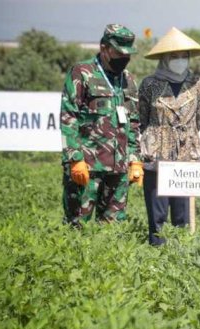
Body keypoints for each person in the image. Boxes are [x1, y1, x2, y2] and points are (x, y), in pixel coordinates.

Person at [60, 24, 142, 227]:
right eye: (118, 52)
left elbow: (132, 123)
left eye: (128, 54)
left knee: (113, 230)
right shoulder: (82, 73)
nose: (124, 58)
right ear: (104, 47)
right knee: (78, 226)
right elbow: (69, 118)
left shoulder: (128, 79)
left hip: (119, 170)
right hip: (87, 167)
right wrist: (74, 159)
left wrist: (134, 160)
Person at [139, 27, 200, 245]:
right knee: (157, 217)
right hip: (156, 157)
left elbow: (199, 119)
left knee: (183, 216)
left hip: (187, 157)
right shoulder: (149, 84)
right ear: (164, 58)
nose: (180, 60)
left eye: (183, 56)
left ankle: (182, 259)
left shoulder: (198, 84)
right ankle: (157, 258)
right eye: (174, 56)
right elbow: (142, 118)